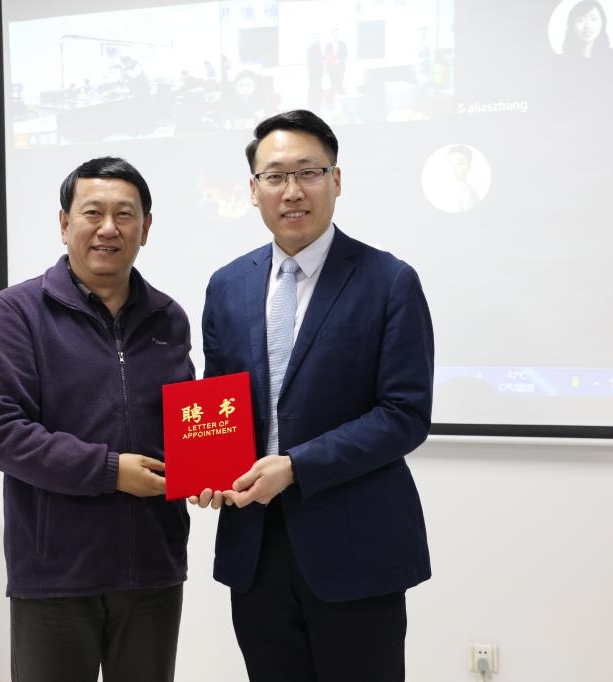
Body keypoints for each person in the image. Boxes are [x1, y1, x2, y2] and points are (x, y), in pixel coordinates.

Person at [193, 110, 434, 682]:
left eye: (308, 172)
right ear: (253, 190)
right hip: (256, 547)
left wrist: (296, 467)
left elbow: (404, 415)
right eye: (275, 176)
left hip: (355, 547)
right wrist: (205, 466)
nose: (292, 190)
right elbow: (220, 399)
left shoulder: (389, 281)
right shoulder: (226, 285)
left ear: (336, 180)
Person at [0, 157, 193, 682]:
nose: (108, 228)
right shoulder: (19, 311)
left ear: (146, 227)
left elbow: (186, 426)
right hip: (55, 572)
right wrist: (109, 471)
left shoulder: (168, 317)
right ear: (64, 222)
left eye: (125, 215)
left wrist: (207, 469)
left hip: (153, 569)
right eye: (93, 212)